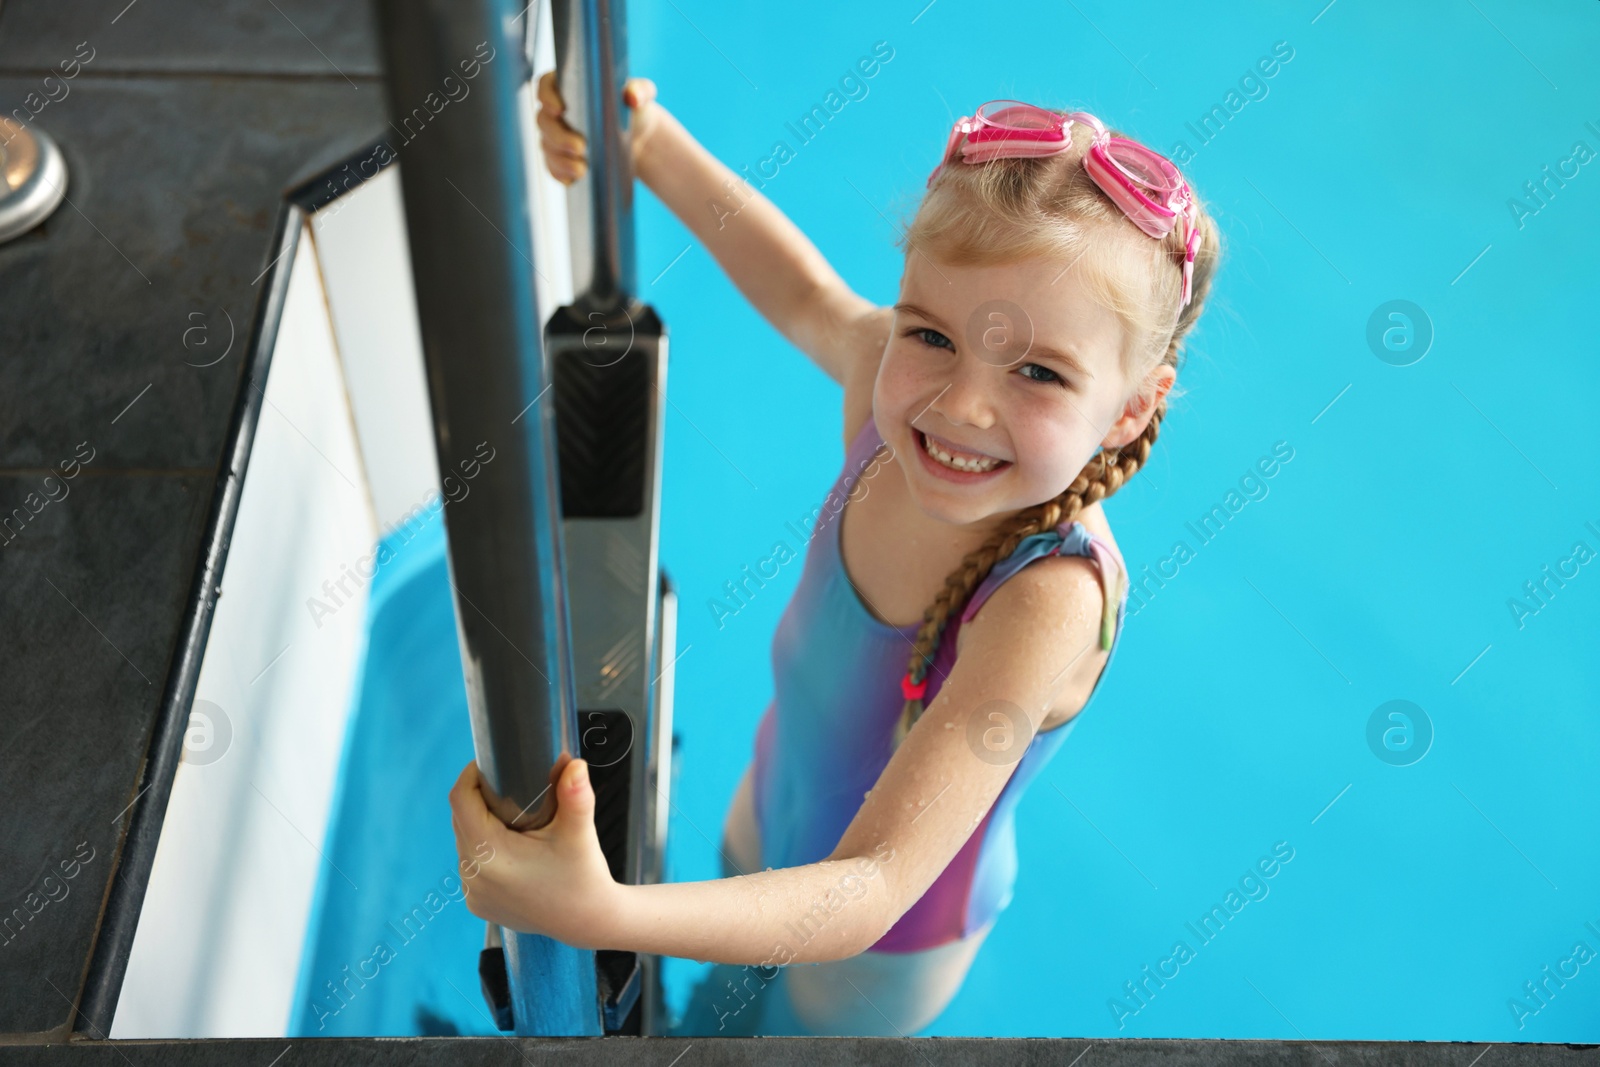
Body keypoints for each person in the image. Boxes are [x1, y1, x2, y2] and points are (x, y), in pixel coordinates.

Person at [448, 74, 1223, 1037]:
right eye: (931, 333)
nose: (960, 405)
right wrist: (641, 143)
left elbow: (876, 882)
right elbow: (801, 286)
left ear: (1135, 405)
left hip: (879, 948)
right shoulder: (883, 398)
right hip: (770, 813)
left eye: (1038, 371)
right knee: (710, 1010)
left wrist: (598, 912)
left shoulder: (1049, 598)